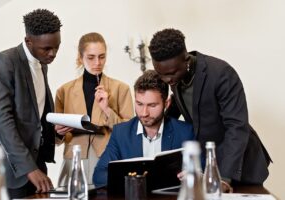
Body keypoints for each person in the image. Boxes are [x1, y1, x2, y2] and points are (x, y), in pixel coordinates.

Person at [149, 28, 272, 188]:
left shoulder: (221, 73)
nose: (167, 79)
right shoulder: (174, 77)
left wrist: (224, 178)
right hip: (209, 161)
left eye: (171, 73)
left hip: (239, 162)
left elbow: (236, 127)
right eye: (161, 74)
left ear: (186, 59)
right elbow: (184, 105)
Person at [0, 9, 62, 198]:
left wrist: (54, 130)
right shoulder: (3, 62)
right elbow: (1, 120)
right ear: (28, 41)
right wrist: (29, 168)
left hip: (35, 161)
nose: (53, 54)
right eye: (47, 48)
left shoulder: (41, 63)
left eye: (57, 47)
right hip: (7, 167)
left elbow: (34, 113)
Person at [54, 32, 134, 186]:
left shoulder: (120, 89)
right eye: (91, 57)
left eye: (102, 56)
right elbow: (56, 137)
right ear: (80, 57)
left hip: (107, 156)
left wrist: (107, 109)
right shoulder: (64, 91)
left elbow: (129, 131)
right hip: (74, 158)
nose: (97, 62)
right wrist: (58, 132)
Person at [93, 70, 195, 187]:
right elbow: (99, 176)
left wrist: (192, 176)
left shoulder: (185, 132)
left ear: (166, 103)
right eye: (139, 104)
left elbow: (201, 172)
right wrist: (137, 181)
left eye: (152, 105)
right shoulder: (120, 133)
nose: (144, 113)